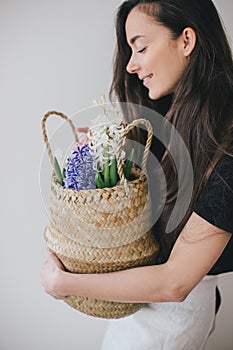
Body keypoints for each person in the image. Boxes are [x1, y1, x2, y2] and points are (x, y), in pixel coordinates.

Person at [40, 0, 233, 349]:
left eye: (141, 47)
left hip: (172, 320)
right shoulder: (175, 127)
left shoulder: (228, 153)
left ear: (186, 41)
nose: (131, 65)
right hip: (142, 310)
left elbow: (174, 283)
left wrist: (63, 283)